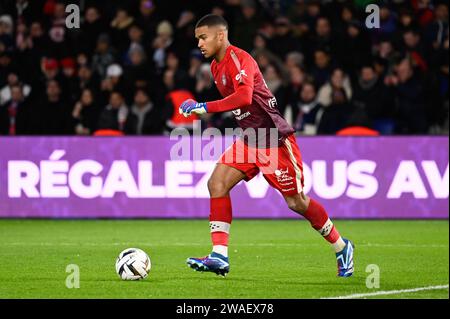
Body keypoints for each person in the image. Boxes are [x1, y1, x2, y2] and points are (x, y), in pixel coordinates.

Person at [179, 14, 354, 277]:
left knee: (296, 202)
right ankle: (219, 255)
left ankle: (342, 246)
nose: (200, 44)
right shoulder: (216, 67)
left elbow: (244, 96)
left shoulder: (241, 59)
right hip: (251, 139)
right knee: (216, 184)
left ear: (220, 35)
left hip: (273, 140)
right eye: (197, 39)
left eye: (203, 37)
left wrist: (204, 106)